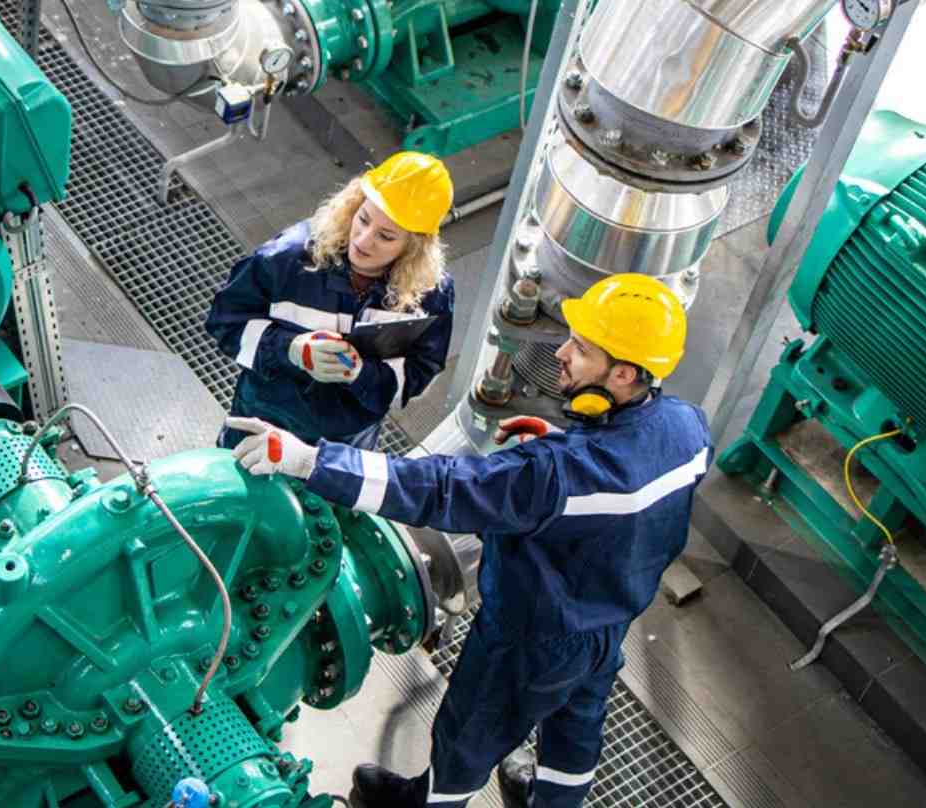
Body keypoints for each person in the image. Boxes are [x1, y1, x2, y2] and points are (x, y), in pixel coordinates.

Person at [226, 273, 710, 808]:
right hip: (607, 621)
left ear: (621, 373)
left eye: (583, 348)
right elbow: (626, 489)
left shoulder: (553, 478)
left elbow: (439, 488)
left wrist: (310, 460)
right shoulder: (688, 429)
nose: (564, 353)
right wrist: (565, 445)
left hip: (527, 638)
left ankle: (434, 801)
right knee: (576, 729)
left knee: (469, 735)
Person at [205, 151, 456, 451]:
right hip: (263, 425)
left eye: (385, 237)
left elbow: (420, 370)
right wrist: (292, 350)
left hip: (344, 449)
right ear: (354, 206)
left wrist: (361, 374)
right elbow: (225, 322)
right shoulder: (287, 259)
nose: (362, 240)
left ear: (413, 247)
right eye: (363, 219)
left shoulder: (429, 293)